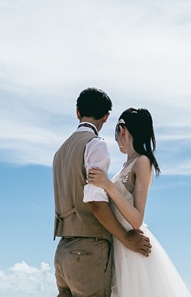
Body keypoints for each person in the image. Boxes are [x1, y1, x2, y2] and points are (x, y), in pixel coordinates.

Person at [53, 88, 152, 297]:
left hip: (62, 251)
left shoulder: (59, 153)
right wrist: (126, 239)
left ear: (77, 112)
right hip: (88, 252)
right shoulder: (94, 145)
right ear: (106, 117)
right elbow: (95, 202)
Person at [87, 107, 191, 297]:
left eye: (116, 133)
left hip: (132, 249)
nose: (116, 139)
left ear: (123, 130)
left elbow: (137, 219)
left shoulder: (142, 161)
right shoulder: (126, 165)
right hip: (120, 246)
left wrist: (108, 186)